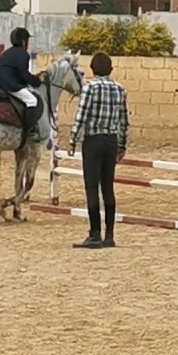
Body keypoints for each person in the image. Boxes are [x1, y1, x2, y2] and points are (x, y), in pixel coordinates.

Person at [67, 52, 130, 249]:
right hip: (111, 141)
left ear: (93, 70)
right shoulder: (120, 89)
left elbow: (82, 115)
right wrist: (122, 145)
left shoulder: (89, 88)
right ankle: (109, 234)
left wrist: (72, 140)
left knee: (92, 186)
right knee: (108, 186)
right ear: (110, 69)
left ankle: (95, 233)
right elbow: (124, 121)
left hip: (93, 140)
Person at [0, 26, 42, 147]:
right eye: (27, 40)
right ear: (24, 41)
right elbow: (23, 74)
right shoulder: (23, 54)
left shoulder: (8, 52)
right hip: (9, 84)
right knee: (32, 100)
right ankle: (30, 132)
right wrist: (36, 81)